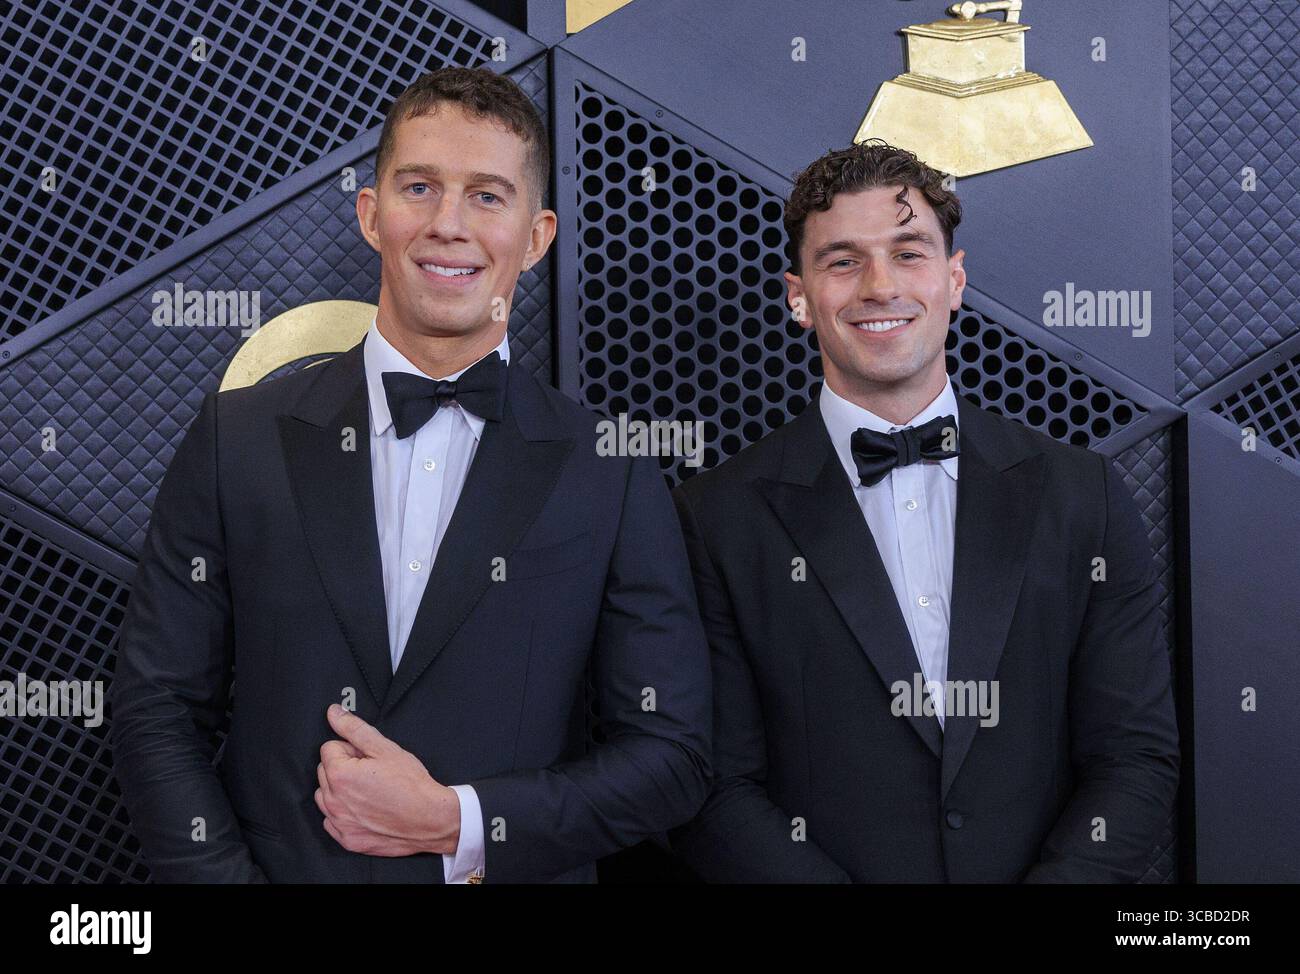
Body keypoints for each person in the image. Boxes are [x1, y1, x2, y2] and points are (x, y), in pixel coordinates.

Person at [109, 66, 711, 883]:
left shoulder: (611, 471)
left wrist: (458, 823)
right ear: (372, 214)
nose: (448, 225)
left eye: (487, 196)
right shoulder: (237, 438)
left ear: (537, 237)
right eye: (420, 187)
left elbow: (671, 756)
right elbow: (156, 707)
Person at [669, 142, 1178, 882]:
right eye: (843, 261)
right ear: (798, 296)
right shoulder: (712, 517)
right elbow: (713, 783)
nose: (880, 286)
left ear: (955, 279)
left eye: (909, 253)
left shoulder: (1081, 494)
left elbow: (1135, 757)